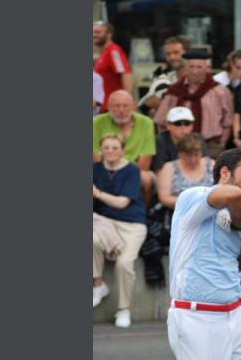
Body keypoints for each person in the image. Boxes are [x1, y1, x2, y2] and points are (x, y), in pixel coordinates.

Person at [167, 148, 241, 360]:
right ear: (225, 173)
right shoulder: (192, 197)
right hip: (197, 318)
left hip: (236, 314)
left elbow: (236, 268)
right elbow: (235, 194)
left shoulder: (234, 217)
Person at [93, 134, 147, 328]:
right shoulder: (95, 168)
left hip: (131, 224)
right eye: (106, 147)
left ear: (123, 149)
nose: (110, 151)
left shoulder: (132, 169)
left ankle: (123, 309)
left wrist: (97, 193)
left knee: (124, 263)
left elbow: (122, 203)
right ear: (101, 150)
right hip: (104, 222)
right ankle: (98, 285)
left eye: (115, 147)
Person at [154, 49, 234, 159]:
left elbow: (227, 122)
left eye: (199, 67)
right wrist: (168, 143)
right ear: (185, 68)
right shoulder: (174, 91)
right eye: (191, 67)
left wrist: (221, 144)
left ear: (206, 68)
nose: (195, 71)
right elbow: (161, 121)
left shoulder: (220, 91)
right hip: (178, 146)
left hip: (211, 146)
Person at [93, 90, 156, 206]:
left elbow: (145, 163)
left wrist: (123, 169)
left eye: (125, 106)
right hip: (104, 168)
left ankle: (145, 213)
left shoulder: (146, 123)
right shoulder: (96, 122)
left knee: (146, 178)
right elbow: (96, 158)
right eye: (116, 106)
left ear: (134, 106)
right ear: (108, 106)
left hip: (134, 170)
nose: (121, 110)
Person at [157, 133, 215, 212]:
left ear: (201, 152)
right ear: (180, 154)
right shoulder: (169, 168)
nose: (193, 159)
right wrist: (192, 203)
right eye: (189, 155)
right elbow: (164, 198)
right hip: (179, 211)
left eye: (196, 155)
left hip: (209, 210)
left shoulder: (211, 165)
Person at [139, 36, 191, 116]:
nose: (172, 57)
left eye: (176, 52)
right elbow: (145, 104)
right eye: (168, 54)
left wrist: (161, 105)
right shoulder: (163, 79)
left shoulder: (197, 79)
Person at [151, 106, 209, 173]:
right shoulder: (160, 140)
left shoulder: (198, 138)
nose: (183, 127)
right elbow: (159, 170)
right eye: (177, 123)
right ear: (168, 125)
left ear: (192, 125)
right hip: (167, 178)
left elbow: (206, 164)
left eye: (187, 123)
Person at [93, 21, 132, 112]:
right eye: (93, 32)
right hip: (103, 107)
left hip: (112, 108)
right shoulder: (104, 52)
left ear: (109, 35)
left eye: (98, 32)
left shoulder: (114, 51)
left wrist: (127, 101)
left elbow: (125, 74)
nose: (94, 35)